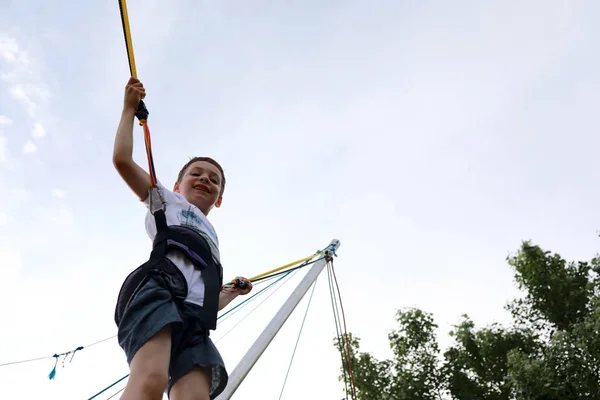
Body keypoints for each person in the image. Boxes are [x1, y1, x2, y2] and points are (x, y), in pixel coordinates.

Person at [112, 76, 252, 400]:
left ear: (218, 198)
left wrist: (231, 291)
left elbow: (206, 298)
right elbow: (121, 160)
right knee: (151, 379)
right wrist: (129, 109)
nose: (205, 179)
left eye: (213, 179)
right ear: (177, 186)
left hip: (194, 317)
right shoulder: (167, 200)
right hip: (160, 288)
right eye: (196, 174)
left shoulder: (213, 240)